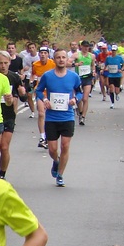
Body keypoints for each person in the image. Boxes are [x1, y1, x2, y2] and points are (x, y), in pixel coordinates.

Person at [37, 49, 84, 187]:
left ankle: (60, 175)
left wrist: (75, 99)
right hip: (51, 118)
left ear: (67, 59)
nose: (61, 60)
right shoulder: (47, 76)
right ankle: (56, 161)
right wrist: (45, 99)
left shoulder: (73, 76)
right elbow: (39, 90)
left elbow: (80, 93)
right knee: (52, 149)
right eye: (58, 57)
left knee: (65, 146)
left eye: (64, 57)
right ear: (54, 59)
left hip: (67, 117)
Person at [0, 51, 24, 179]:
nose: (3, 66)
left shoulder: (14, 77)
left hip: (8, 116)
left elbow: (23, 97)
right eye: (0, 63)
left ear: (9, 63)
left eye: (5, 63)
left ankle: (2, 174)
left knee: (4, 147)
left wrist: (23, 93)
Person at [31, 47, 56, 150]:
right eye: (41, 53)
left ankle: (51, 136)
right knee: (41, 113)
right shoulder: (35, 64)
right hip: (41, 92)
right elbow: (33, 74)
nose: (42, 55)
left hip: (52, 92)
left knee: (51, 115)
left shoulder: (53, 64)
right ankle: (42, 137)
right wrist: (31, 81)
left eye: (45, 53)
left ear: (48, 54)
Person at [72, 41, 95, 126]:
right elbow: (67, 63)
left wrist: (93, 71)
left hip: (87, 78)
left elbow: (93, 65)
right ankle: (80, 111)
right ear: (81, 46)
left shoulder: (91, 56)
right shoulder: (77, 55)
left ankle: (83, 117)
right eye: (84, 46)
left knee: (85, 98)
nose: (86, 48)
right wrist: (76, 64)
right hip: (78, 78)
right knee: (79, 98)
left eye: (87, 47)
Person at [20, 42, 40, 117]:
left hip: (38, 78)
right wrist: (24, 70)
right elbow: (23, 69)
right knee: (29, 95)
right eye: (30, 48)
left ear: (35, 48)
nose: (31, 49)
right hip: (29, 78)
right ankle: (32, 112)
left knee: (39, 94)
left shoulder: (39, 56)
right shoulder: (26, 58)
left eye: (33, 47)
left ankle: (40, 107)